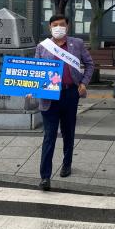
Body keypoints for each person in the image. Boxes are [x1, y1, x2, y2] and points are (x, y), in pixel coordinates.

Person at [34, 14, 94, 191]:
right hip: (49, 97)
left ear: (68, 26)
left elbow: (90, 64)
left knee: (68, 132)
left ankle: (67, 164)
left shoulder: (77, 44)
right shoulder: (42, 47)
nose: (58, 27)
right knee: (49, 136)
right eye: (55, 25)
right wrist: (30, 88)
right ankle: (45, 176)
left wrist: (83, 83)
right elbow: (35, 71)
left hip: (70, 94)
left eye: (62, 24)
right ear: (49, 27)